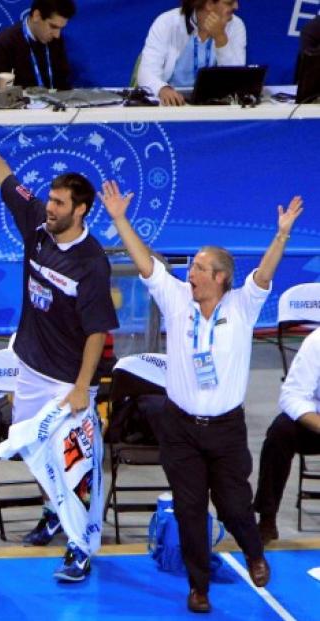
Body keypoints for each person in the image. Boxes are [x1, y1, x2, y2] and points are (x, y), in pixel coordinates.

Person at [0, 96, 118, 581]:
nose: (49, 208)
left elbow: (98, 333)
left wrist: (82, 388)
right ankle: (52, 514)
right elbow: (2, 173)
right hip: (31, 369)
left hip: (68, 383)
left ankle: (80, 548)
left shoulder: (91, 263)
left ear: (81, 211)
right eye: (50, 201)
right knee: (37, 458)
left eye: (59, 204)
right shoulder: (37, 226)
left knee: (74, 467)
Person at [102, 180, 303, 612]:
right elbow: (146, 265)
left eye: (197, 268)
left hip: (227, 430)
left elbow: (264, 274)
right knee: (190, 510)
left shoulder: (241, 306)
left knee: (232, 506)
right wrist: (120, 219)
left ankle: (253, 553)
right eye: (191, 267)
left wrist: (282, 233)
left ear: (220, 278)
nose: (189, 273)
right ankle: (199, 588)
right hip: (180, 428)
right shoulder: (177, 300)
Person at [254, 327, 320, 544]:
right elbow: (292, 396)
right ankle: (267, 518)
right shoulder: (316, 342)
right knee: (280, 432)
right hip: (317, 422)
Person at [137, 0, 246, 106]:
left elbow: (237, 83)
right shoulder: (166, 23)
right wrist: (162, 89)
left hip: (213, 105)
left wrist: (221, 38)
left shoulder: (236, 25)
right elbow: (146, 73)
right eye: (229, 3)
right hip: (172, 106)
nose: (236, 7)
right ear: (209, 4)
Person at [0, 0, 76, 90]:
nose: (57, 35)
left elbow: (62, 82)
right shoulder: (3, 44)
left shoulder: (55, 41)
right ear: (36, 16)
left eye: (61, 28)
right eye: (53, 26)